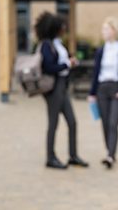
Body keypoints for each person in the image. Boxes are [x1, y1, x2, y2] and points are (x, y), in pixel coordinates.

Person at [36, 11, 89, 169]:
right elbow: (49, 67)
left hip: (62, 86)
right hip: (53, 87)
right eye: (62, 26)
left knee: (72, 122)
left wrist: (70, 60)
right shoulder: (46, 45)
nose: (64, 28)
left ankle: (73, 155)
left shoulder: (57, 44)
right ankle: (50, 157)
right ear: (54, 28)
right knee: (53, 123)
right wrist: (67, 64)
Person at [88, 16, 118, 169]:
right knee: (105, 123)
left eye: (106, 29)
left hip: (116, 89)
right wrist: (92, 93)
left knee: (113, 123)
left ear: (114, 31)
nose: (104, 32)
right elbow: (96, 72)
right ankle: (109, 151)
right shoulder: (101, 50)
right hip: (101, 89)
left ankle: (110, 156)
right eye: (103, 29)